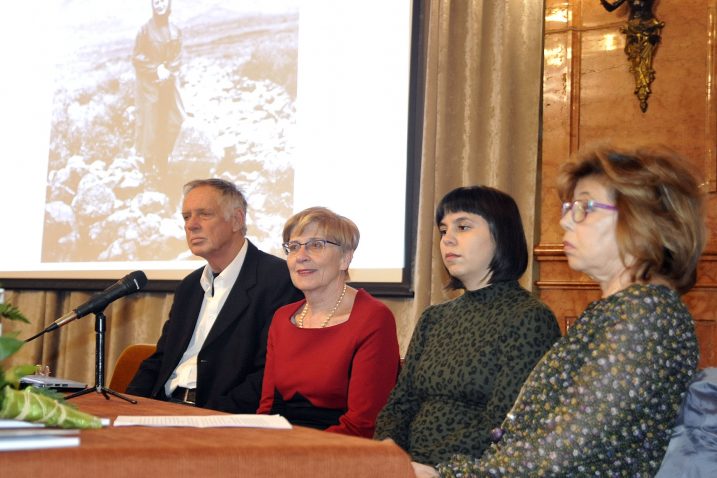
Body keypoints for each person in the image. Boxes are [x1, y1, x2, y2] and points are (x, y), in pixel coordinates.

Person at [415, 145, 705, 477]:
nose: (565, 221)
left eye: (584, 208)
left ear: (642, 219)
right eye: (568, 208)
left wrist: (441, 475)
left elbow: (561, 454)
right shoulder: (621, 311)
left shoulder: (645, 317)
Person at [374, 186, 560, 465]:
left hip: (469, 470)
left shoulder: (529, 317)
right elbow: (401, 404)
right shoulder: (433, 318)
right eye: (443, 230)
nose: (447, 240)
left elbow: (503, 425)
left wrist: (433, 468)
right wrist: (388, 453)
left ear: (501, 235)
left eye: (462, 227)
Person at [127, 178, 302, 412]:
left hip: (219, 415)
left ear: (237, 220)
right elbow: (161, 359)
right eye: (186, 217)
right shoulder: (189, 286)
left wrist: (209, 416)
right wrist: (126, 405)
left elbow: (271, 372)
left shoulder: (278, 279)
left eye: (204, 214)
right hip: (164, 407)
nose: (192, 225)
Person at [257, 207, 400, 438]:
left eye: (316, 245)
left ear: (345, 258)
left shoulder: (373, 318)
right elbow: (268, 409)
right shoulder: (282, 318)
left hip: (341, 450)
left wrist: (294, 452)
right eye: (293, 247)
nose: (301, 256)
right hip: (281, 446)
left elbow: (364, 424)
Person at [133, 0, 185, 183]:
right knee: (151, 124)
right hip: (150, 86)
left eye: (163, 1)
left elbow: (178, 57)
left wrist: (168, 70)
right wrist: (156, 69)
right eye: (156, 1)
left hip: (169, 83)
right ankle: (149, 169)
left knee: (174, 119)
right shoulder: (144, 31)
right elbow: (137, 57)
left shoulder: (175, 31)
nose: (159, 5)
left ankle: (165, 162)